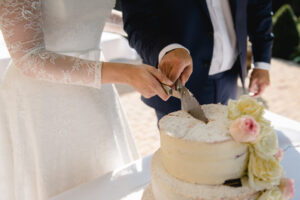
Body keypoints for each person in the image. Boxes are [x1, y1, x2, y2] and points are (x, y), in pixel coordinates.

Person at [0, 0, 172, 199]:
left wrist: (142, 29)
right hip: (41, 102)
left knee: (104, 178)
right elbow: (28, 57)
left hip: (94, 94)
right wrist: (125, 73)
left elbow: (81, 14)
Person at [121, 0, 273, 120]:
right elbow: (138, 20)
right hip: (178, 85)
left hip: (230, 79)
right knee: (183, 157)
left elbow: (259, 7)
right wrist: (167, 50)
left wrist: (262, 63)